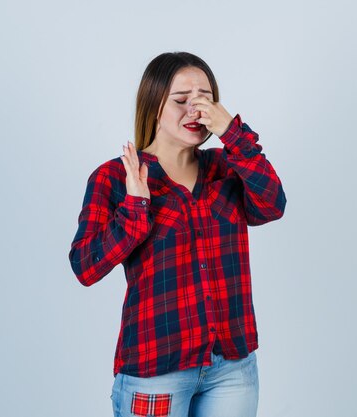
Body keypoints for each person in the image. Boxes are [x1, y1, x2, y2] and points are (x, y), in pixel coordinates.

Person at [69, 51, 286, 417]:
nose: (195, 111)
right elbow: (85, 267)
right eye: (182, 101)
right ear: (154, 105)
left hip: (232, 367)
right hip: (156, 371)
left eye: (204, 101)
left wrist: (233, 133)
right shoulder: (115, 177)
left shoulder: (225, 167)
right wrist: (136, 208)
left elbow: (272, 204)